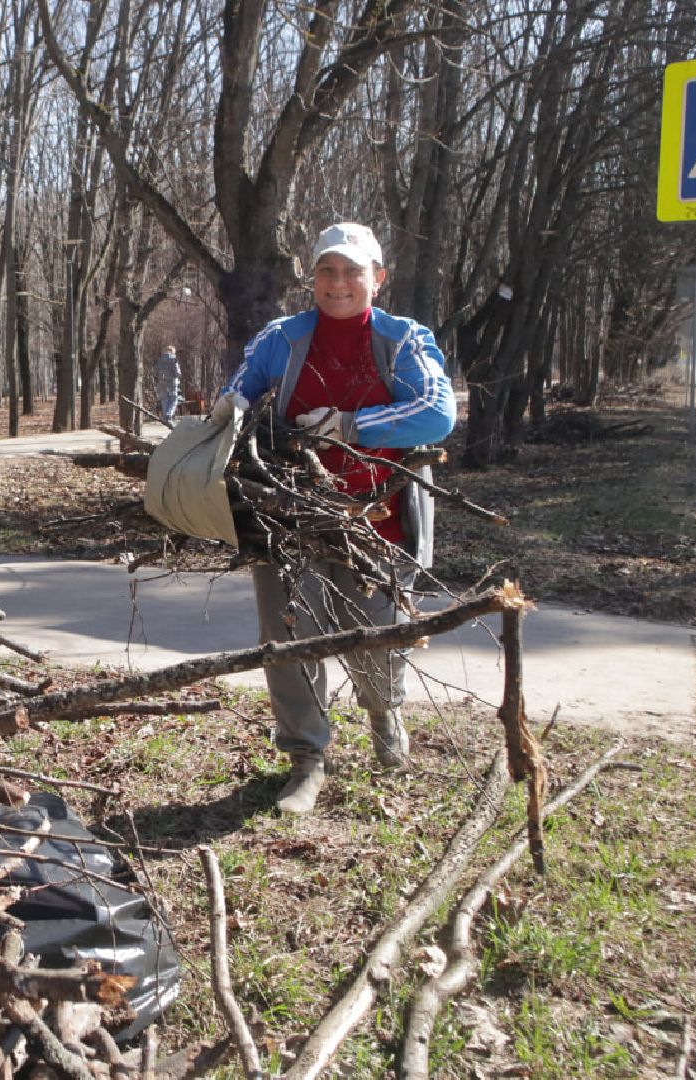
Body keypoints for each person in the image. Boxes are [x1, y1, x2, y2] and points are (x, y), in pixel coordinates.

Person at [221, 222, 455, 814]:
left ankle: (384, 721)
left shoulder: (402, 340)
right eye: (327, 270)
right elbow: (239, 393)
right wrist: (232, 417)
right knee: (291, 638)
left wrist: (352, 425)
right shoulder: (283, 338)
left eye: (353, 271)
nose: (339, 282)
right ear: (313, 278)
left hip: (377, 518)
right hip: (290, 515)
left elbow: (437, 414)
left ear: (378, 277)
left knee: (378, 634)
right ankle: (307, 760)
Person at [154, 345, 182, 423]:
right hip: (172, 382)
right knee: (174, 399)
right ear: (173, 352)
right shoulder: (174, 360)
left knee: (164, 399)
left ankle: (165, 417)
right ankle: (169, 415)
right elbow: (177, 373)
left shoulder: (160, 360)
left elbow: (155, 370)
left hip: (161, 382)